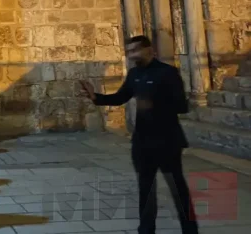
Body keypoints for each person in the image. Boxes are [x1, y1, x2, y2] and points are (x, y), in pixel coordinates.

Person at [79, 36, 199, 234]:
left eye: (135, 50)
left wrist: (153, 103)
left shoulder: (167, 73)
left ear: (149, 49)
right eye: (129, 51)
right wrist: (95, 97)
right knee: (146, 188)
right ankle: (146, 230)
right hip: (142, 142)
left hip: (167, 141)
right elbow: (120, 97)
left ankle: (190, 230)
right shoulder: (134, 74)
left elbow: (181, 106)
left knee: (177, 188)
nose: (132, 55)